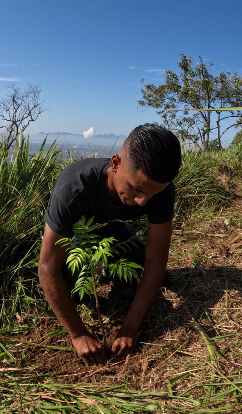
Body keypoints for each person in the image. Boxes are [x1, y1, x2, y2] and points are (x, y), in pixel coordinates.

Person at [38, 123, 182, 365]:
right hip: (78, 240)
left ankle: (111, 271)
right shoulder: (75, 186)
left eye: (152, 194)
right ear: (115, 163)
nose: (142, 201)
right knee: (71, 289)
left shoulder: (161, 190)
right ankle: (101, 270)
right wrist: (79, 334)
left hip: (115, 235)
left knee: (164, 280)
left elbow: (156, 260)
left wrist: (130, 327)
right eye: (136, 189)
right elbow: (47, 266)